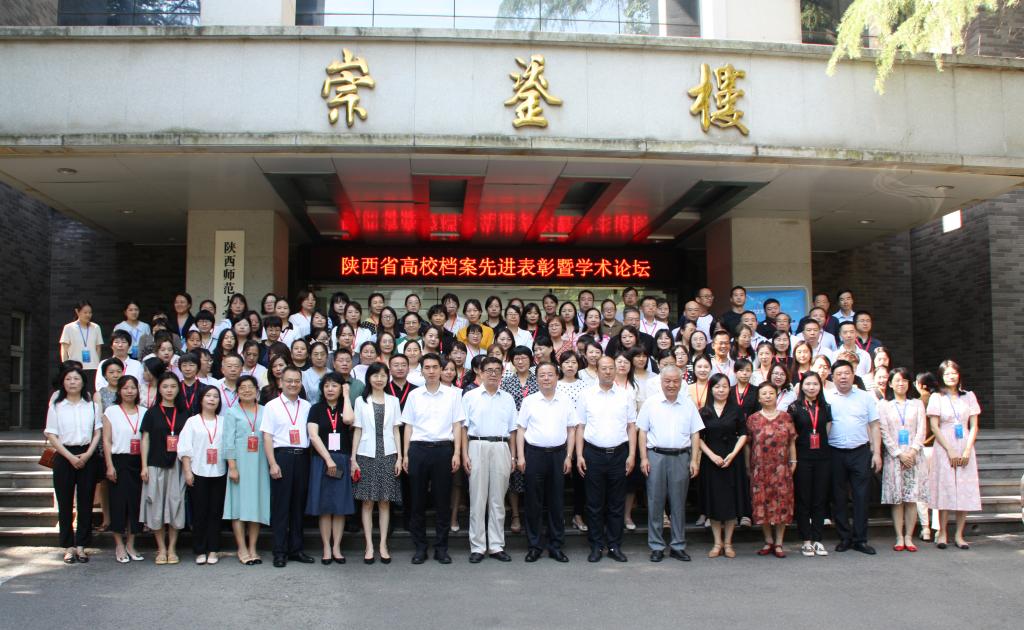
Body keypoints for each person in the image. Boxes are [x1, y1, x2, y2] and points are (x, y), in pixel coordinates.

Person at [401, 353, 464, 565]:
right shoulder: (414, 395)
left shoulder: (453, 395)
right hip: (418, 450)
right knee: (417, 501)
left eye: (435, 367)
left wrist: (456, 452)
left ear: (441, 369)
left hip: (443, 450)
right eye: (427, 367)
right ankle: (420, 547)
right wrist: (406, 454)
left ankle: (441, 548)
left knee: (442, 501)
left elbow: (457, 425)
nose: (431, 371)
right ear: (421, 371)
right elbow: (408, 426)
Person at [637, 366, 703, 562]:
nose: (671, 385)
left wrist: (694, 459)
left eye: (675, 381)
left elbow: (695, 433)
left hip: (681, 457)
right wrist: (644, 458)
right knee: (655, 502)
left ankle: (678, 545)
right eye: (667, 381)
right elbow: (642, 432)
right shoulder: (651, 403)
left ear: (681, 382)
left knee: (678, 503)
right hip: (655, 456)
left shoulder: (688, 404)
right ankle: (656, 546)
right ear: (661, 382)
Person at [575, 355, 637, 563]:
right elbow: (580, 426)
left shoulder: (625, 395)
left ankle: (614, 545)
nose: (608, 371)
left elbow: (631, 426)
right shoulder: (586, 395)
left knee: (616, 503)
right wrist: (579, 455)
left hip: (619, 454)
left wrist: (632, 454)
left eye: (611, 368)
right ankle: (596, 545)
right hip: (593, 454)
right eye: (604, 368)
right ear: (597, 370)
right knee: (594, 504)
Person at [456, 356, 517, 563]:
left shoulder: (507, 398)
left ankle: (496, 545)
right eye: (488, 370)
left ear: (502, 374)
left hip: (501, 446)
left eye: (497, 370)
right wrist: (464, 454)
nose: (493, 374)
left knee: (498, 500)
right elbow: (463, 429)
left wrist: (513, 456)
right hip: (477, 445)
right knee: (478, 498)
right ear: (480, 373)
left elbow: (513, 430)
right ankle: (478, 546)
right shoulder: (470, 397)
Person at [517, 362, 576, 563]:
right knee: (533, 502)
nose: (546, 378)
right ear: (536, 379)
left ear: (557, 376)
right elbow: (521, 429)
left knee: (556, 502)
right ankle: (534, 546)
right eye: (542, 375)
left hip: (558, 455)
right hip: (534, 454)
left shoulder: (565, 400)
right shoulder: (529, 401)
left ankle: (555, 546)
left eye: (550, 374)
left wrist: (569, 456)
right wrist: (521, 457)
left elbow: (571, 429)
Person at [45, 367, 101, 564]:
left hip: (87, 455)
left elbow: (97, 432)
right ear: (63, 382)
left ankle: (82, 546)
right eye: (68, 379)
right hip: (64, 455)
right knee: (65, 503)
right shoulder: (57, 405)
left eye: (76, 379)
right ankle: (68, 546)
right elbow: (51, 434)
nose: (72, 382)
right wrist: (70, 457)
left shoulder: (92, 406)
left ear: (83, 382)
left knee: (86, 503)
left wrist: (87, 454)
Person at [826, 360, 882, 555]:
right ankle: (844, 537)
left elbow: (874, 425)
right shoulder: (827, 397)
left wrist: (877, 452)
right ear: (833, 377)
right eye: (839, 374)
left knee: (861, 496)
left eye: (846, 373)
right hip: (835, 452)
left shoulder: (865, 397)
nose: (843, 377)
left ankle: (860, 539)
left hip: (860, 451)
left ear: (853, 374)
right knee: (838, 497)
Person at [262, 366, 315, 567]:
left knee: (298, 506)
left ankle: (296, 549)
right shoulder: (272, 406)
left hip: (302, 458)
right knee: (281, 506)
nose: (293, 384)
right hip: (282, 457)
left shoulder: (307, 406)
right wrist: (272, 463)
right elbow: (267, 436)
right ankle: (279, 551)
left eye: (297, 381)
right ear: (281, 382)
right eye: (289, 381)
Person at [927, 359, 982, 549]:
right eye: (947, 374)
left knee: (964, 489)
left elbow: (974, 425)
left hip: (965, 443)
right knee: (946, 488)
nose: (951, 376)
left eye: (954, 373)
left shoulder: (969, 396)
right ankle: (942, 532)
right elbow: (934, 426)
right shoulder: (937, 397)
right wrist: (949, 449)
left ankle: (959, 534)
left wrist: (967, 449)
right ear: (941, 377)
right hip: (944, 445)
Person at [352, 363, 403, 564]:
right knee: (367, 502)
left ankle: (382, 544)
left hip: (388, 453)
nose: (379, 379)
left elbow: (396, 430)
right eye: (375, 375)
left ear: (387, 378)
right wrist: (353, 459)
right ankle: (369, 545)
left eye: (383, 375)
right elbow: (357, 429)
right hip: (366, 454)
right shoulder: (360, 401)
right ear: (369, 378)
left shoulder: (393, 400)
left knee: (384, 501)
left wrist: (400, 457)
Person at [306, 372, 357, 564]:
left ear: (341, 388)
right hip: (322, 460)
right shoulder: (316, 409)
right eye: (326, 385)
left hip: (342, 459)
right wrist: (328, 459)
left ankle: (337, 547)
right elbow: (313, 435)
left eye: (334, 385)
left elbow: (349, 420)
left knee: (340, 506)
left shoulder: (345, 406)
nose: (330, 389)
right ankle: (326, 547)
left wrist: (347, 396)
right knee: (325, 506)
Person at [878, 367, 929, 552]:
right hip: (894, 457)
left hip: (914, 457)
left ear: (909, 383)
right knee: (897, 499)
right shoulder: (884, 405)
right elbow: (883, 431)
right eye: (897, 380)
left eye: (904, 380)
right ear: (890, 384)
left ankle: (909, 536)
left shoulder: (917, 404)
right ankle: (899, 536)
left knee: (912, 498)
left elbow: (922, 430)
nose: (901, 384)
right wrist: (899, 453)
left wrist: (913, 451)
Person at [699, 373, 748, 559]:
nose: (721, 390)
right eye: (717, 386)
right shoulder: (704, 411)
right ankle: (717, 543)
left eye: (725, 386)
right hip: (711, 461)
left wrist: (733, 454)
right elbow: (698, 438)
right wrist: (712, 456)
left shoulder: (736, 410)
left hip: (732, 460)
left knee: (730, 503)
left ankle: (728, 543)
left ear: (730, 389)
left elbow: (743, 434)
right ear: (711, 389)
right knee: (714, 502)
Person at [223, 375, 271, 565]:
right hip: (240, 463)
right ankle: (242, 548)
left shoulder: (265, 411)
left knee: (256, 505)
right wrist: (232, 466)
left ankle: (253, 547)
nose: (247, 390)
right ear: (237, 392)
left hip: (260, 462)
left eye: (250, 387)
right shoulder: (232, 412)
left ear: (257, 390)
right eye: (242, 387)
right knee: (238, 506)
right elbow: (228, 441)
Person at [140, 372, 187, 564]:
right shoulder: (151, 413)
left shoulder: (185, 412)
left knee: (176, 505)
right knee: (156, 506)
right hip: (155, 464)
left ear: (178, 389)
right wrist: (144, 466)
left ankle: (172, 548)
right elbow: (145, 439)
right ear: (159, 389)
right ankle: (161, 549)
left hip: (178, 465)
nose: (169, 390)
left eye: (173, 386)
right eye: (165, 386)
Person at [746, 382, 797, 558]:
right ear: (759, 398)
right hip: (760, 468)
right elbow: (748, 445)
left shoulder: (786, 417)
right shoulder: (753, 419)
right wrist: (748, 466)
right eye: (764, 394)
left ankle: (779, 542)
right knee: (762, 504)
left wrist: (793, 461)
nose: (767, 396)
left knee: (782, 503)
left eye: (771, 393)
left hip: (781, 467)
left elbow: (791, 441)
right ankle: (768, 540)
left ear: (776, 396)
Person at [178, 388, 228, 564]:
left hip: (219, 472)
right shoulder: (192, 422)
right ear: (200, 400)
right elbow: (185, 447)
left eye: (215, 396)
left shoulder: (224, 421)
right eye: (208, 396)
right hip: (198, 471)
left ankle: (213, 549)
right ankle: (199, 550)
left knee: (215, 512)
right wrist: (187, 471)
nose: (212, 399)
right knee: (199, 513)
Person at [102, 375, 146, 563]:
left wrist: (145, 466)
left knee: (136, 505)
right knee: (118, 503)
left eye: (133, 387)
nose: (129, 391)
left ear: (138, 390)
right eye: (126, 388)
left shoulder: (144, 412)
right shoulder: (111, 411)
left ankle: (131, 544)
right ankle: (119, 544)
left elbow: (146, 439)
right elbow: (106, 440)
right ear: (119, 391)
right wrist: (109, 465)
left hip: (138, 462)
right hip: (118, 461)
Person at [788, 372, 833, 557]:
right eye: (807, 384)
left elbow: (827, 430)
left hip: (823, 457)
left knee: (820, 498)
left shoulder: (826, 407)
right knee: (804, 498)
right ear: (801, 386)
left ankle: (818, 540)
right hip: (802, 457)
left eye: (815, 384)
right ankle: (806, 540)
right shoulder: (794, 408)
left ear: (820, 386)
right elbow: (792, 435)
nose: (811, 387)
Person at [60, 301, 104, 392]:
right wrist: (65, 367)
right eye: (85, 312)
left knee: (91, 392)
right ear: (77, 311)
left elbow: (98, 348)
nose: (88, 315)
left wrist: (97, 363)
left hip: (93, 367)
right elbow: (64, 349)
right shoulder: (69, 328)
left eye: (90, 312)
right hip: (75, 367)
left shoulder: (96, 327)